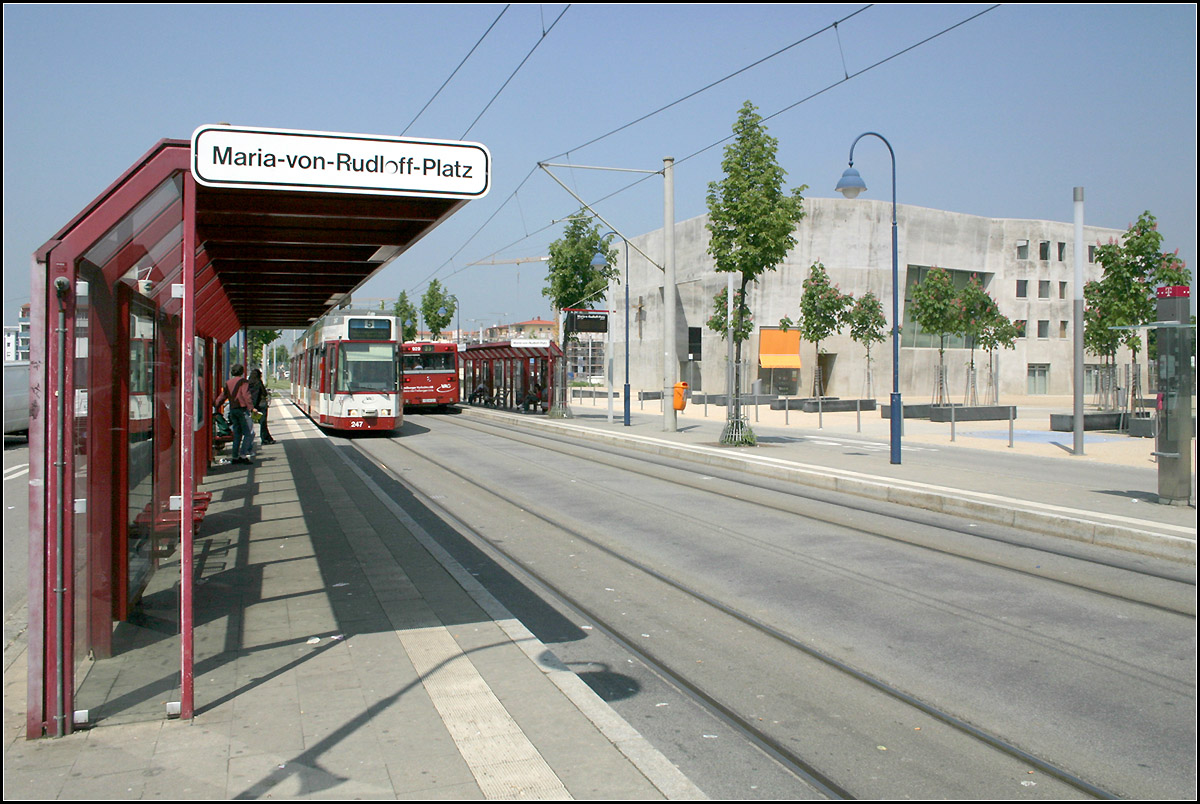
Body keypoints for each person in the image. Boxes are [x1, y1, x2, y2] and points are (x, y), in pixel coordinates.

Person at [214, 364, 254, 464]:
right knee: (248, 433)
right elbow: (246, 395)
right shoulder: (243, 382)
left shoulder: (228, 383)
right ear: (242, 372)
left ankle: (235, 456)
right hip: (242, 410)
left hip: (233, 410)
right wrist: (252, 408)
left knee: (237, 434)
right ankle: (243, 455)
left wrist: (216, 405)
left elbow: (223, 396)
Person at [248, 368, 275, 445]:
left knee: (258, 423)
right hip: (261, 404)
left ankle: (268, 438)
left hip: (253, 406)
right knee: (263, 423)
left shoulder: (248, 383)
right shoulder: (258, 383)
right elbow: (264, 393)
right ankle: (265, 439)